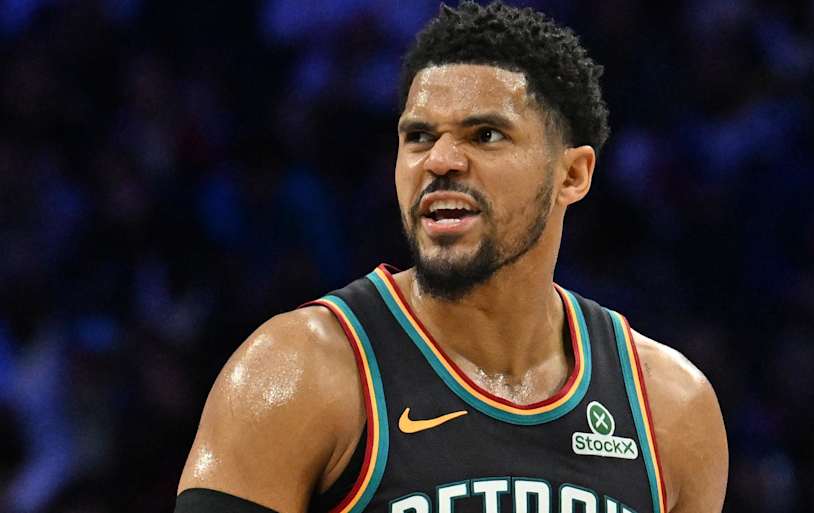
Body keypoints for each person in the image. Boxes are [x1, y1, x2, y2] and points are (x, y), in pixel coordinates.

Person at [175, 2, 728, 512]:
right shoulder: (297, 372)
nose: (440, 160)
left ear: (572, 174)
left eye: (485, 135)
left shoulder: (670, 407)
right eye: (419, 136)